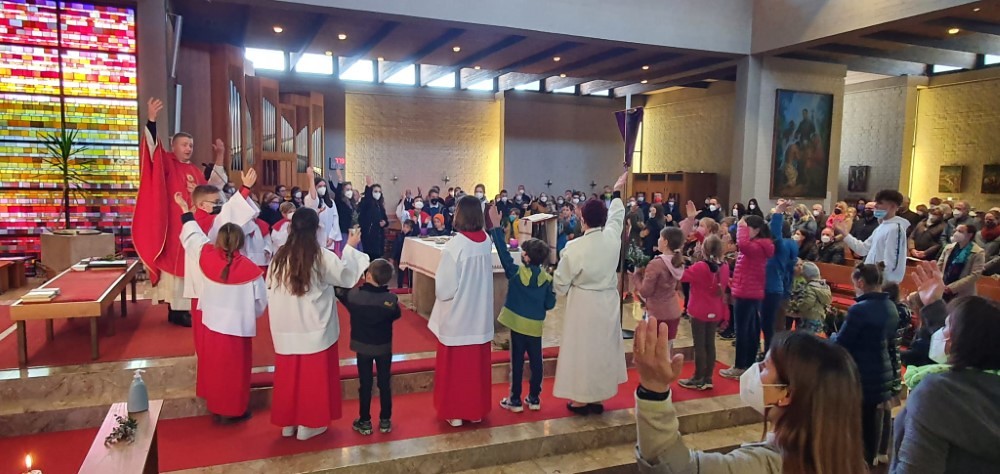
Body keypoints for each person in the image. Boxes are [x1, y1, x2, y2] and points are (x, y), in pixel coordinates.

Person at [633, 319, 867, 473]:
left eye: (764, 367)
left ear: (785, 393)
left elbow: (675, 469)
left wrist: (653, 390)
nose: (755, 371)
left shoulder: (766, 466)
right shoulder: (845, 460)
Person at [267, 209, 368, 441]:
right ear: (316, 229)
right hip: (313, 326)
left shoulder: (279, 256)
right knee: (313, 377)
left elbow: (270, 286)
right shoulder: (320, 255)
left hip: (286, 325)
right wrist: (350, 247)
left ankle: (289, 423)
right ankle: (309, 424)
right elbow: (346, 277)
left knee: (289, 376)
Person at [890, 261, 1000, 474]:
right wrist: (933, 303)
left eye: (947, 326)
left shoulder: (938, 393)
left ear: (954, 341)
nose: (941, 333)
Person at [134, 97, 228, 327]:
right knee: (176, 266)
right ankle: (177, 309)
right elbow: (152, 153)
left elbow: (212, 188)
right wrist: (152, 120)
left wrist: (220, 156)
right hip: (173, 225)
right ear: (173, 146)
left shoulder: (194, 170)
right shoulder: (166, 162)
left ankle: (181, 309)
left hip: (192, 225)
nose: (188, 149)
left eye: (191, 146)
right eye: (184, 144)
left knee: (190, 265)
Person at [175, 196, 267, 424]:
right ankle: (234, 411)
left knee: (216, 368)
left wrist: (185, 211)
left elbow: (193, 237)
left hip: (212, 326)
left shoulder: (207, 257)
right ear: (241, 242)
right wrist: (246, 315)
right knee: (235, 371)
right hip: (238, 330)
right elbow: (260, 305)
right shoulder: (251, 271)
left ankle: (216, 407)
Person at [553, 173, 629, 415]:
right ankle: (597, 396)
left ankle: (581, 400)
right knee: (601, 349)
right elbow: (617, 216)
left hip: (583, 304)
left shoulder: (574, 247)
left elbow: (560, 283)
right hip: (607, 302)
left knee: (582, 351)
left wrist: (561, 287)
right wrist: (616, 193)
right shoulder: (612, 238)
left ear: (582, 219)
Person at [427, 196, 495, 427]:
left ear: (460, 214)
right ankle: (475, 411)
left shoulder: (455, 245)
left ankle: (454, 412)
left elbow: (444, 289)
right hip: (479, 315)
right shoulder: (485, 241)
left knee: (456, 369)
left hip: (458, 316)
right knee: (475, 370)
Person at [487, 204, 556, 413]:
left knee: (516, 362)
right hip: (535, 326)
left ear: (525, 257)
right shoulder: (546, 279)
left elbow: (503, 253)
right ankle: (534, 398)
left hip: (517, 324)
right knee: (536, 362)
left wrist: (496, 228)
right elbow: (550, 304)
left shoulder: (516, 274)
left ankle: (515, 399)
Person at [832, 262, 900, 465]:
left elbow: (842, 343)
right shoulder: (891, 306)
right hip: (882, 372)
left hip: (861, 374)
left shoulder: (859, 310)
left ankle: (853, 462)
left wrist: (832, 334)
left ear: (861, 282)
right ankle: (867, 462)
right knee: (870, 421)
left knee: (855, 422)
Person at [336, 259, 401, 436]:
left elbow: (340, 293)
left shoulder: (355, 296)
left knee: (365, 384)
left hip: (362, 346)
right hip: (383, 347)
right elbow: (396, 314)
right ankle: (385, 420)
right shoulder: (390, 299)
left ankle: (365, 421)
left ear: (368, 276)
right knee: (384, 383)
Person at [720, 215, 775, 380]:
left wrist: (741, 226)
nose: (743, 231)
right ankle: (749, 363)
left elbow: (742, 244)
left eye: (746, 228)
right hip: (750, 290)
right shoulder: (758, 245)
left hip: (746, 292)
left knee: (743, 330)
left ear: (757, 230)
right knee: (751, 329)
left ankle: (740, 365)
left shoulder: (755, 246)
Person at [677, 235, 729, 391]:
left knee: (699, 344)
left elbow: (682, 276)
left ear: (704, 249)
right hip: (715, 308)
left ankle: (698, 377)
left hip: (699, 310)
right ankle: (708, 377)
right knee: (710, 343)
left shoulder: (701, 266)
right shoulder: (725, 266)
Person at [835, 190, 910, 284]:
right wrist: (845, 234)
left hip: (882, 284)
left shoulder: (895, 228)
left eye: (880, 203)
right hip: (871, 281)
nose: (876, 206)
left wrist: (879, 283)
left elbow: (891, 263)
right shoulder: (881, 227)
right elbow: (862, 249)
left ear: (893, 206)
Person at [639, 227, 686, 342]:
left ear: (665, 242)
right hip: (673, 311)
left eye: (660, 237)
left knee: (654, 349)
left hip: (657, 313)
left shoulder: (656, 264)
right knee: (667, 348)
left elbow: (645, 292)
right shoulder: (678, 261)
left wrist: (636, 278)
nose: (658, 240)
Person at [786, 262, 830, 335]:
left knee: (804, 336)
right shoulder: (824, 286)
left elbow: (807, 303)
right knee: (814, 336)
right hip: (819, 316)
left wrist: (799, 306)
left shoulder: (810, 288)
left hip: (810, 317)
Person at [305, 176, 342, 253]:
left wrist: (332, 237)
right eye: (320, 186)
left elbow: (335, 219)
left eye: (324, 186)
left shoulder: (331, 202)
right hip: (316, 237)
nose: (323, 188)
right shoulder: (310, 200)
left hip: (330, 238)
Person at [358, 176, 389, 260]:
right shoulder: (366, 202)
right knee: (368, 258)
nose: (377, 193)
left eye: (379, 191)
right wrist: (368, 187)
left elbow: (386, 219)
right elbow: (367, 200)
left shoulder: (380, 205)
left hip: (379, 236)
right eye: (375, 191)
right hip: (369, 235)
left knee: (377, 259)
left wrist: (384, 222)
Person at [333, 171, 359, 251]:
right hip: (343, 232)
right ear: (343, 191)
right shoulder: (340, 202)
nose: (349, 191)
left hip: (353, 231)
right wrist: (340, 180)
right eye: (347, 189)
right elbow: (337, 194)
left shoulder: (352, 203)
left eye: (350, 189)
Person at [392, 220, 418, 289]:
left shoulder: (412, 236)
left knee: (410, 273)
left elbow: (416, 232)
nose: (405, 229)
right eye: (404, 226)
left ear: (411, 229)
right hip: (401, 256)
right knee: (401, 272)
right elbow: (395, 247)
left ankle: (411, 287)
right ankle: (399, 287)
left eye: (407, 227)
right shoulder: (399, 236)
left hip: (410, 257)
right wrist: (393, 257)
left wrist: (416, 223)